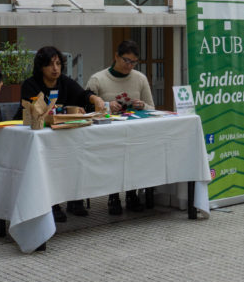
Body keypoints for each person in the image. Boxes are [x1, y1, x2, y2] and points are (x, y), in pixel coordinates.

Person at [21, 46, 106, 222]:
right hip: (37, 135)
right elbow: (35, 110)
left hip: (63, 135)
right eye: (50, 64)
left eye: (58, 64)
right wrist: (65, 109)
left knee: (78, 155)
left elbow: (83, 95)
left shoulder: (65, 82)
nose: (55, 69)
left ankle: (75, 199)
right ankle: (52, 204)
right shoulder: (30, 84)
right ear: (41, 67)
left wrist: (95, 99)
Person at [86, 39, 155, 215]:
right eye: (126, 60)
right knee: (113, 157)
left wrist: (142, 106)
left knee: (136, 157)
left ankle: (132, 194)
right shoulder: (98, 79)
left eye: (133, 62)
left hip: (134, 132)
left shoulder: (140, 79)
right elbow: (85, 107)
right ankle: (113, 196)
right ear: (116, 56)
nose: (129, 66)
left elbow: (152, 108)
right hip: (106, 134)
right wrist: (107, 105)